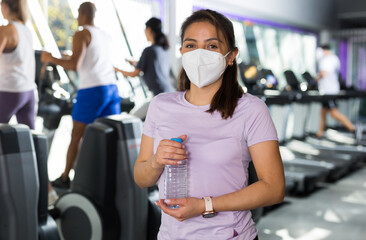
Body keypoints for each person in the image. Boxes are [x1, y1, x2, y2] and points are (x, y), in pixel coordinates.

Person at [134, 9, 285, 240]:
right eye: (191, 45)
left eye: (212, 46)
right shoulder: (160, 105)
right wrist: (156, 161)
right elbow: (141, 177)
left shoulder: (251, 109)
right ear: (182, 51)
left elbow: (274, 188)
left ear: (231, 55)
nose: (200, 54)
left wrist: (204, 205)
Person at [41, 2, 121, 189]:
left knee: (76, 134)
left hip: (92, 90)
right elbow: (93, 58)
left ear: (82, 13)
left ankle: (64, 177)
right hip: (110, 88)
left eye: (78, 13)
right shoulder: (104, 35)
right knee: (109, 134)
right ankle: (108, 176)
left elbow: (74, 65)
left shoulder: (81, 33)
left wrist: (50, 58)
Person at [114, 17, 175, 96]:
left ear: (149, 30)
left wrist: (117, 69)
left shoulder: (148, 50)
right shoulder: (164, 50)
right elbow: (153, 66)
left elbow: (134, 74)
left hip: (160, 94)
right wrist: (135, 63)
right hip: (169, 91)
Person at [0, 0, 36, 129]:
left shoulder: (6, 30)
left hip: (9, 90)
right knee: (29, 139)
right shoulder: (26, 30)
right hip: (28, 91)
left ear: (5, 6)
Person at [315, 44, 355, 138]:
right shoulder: (334, 58)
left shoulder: (328, 60)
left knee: (334, 113)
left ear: (324, 50)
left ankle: (352, 128)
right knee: (323, 112)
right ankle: (319, 133)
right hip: (328, 90)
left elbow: (324, 73)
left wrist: (316, 78)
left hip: (329, 91)